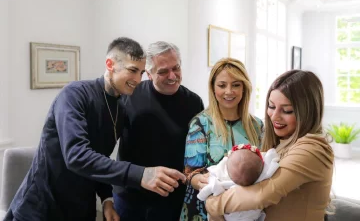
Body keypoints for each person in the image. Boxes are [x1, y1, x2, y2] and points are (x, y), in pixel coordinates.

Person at [4, 37, 186, 221]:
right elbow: (76, 155)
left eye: (140, 73)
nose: (138, 80)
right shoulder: (74, 95)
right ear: (110, 64)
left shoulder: (121, 105)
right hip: (41, 207)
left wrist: (106, 197)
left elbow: (98, 156)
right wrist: (141, 174)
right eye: (132, 70)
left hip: (81, 208)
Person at [205, 70, 334, 221]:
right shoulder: (281, 142)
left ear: (308, 112)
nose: (275, 116)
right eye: (271, 106)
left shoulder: (312, 149)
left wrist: (212, 203)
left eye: (287, 110)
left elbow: (261, 195)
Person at [112, 41, 204, 221]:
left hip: (173, 198)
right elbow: (106, 142)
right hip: (131, 196)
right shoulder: (129, 95)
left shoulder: (194, 103)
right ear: (149, 74)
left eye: (176, 68)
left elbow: (197, 152)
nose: (172, 76)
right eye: (163, 71)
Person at [180, 58, 264, 221]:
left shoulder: (257, 126)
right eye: (222, 85)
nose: (229, 91)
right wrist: (212, 184)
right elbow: (191, 173)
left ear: (244, 87)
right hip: (203, 212)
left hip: (245, 210)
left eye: (236, 85)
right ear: (213, 88)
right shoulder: (200, 124)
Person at [197, 144, 279, 221]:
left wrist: (202, 196)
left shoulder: (222, 180)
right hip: (252, 213)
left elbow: (210, 188)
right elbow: (271, 158)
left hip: (230, 214)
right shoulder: (262, 177)